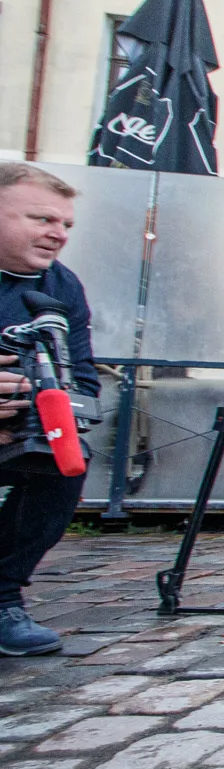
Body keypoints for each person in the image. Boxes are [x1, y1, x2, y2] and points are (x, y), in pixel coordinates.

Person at [0, 165, 98, 656]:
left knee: (65, 460)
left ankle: (1, 597)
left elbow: (83, 376)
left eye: (65, 225)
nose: (57, 234)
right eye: (42, 219)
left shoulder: (61, 288)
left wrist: (40, 416)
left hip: (17, 428)